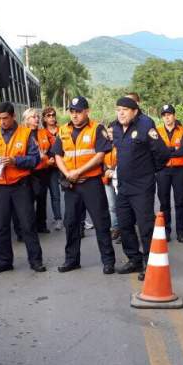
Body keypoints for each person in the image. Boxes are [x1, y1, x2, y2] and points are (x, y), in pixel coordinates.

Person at [51, 96, 116, 274]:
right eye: (72, 112)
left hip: (91, 183)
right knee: (71, 223)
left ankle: (108, 261)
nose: (75, 115)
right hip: (71, 185)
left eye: (78, 112)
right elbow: (57, 154)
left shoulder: (97, 128)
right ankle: (72, 260)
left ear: (87, 111)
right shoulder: (63, 130)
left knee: (101, 222)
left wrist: (78, 172)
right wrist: (67, 174)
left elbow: (101, 154)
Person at [0, 102, 45, 274]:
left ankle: (36, 261)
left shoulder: (25, 133)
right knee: (1, 225)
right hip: (0, 186)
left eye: (5, 118)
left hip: (20, 185)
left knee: (28, 224)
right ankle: (4, 261)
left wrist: (16, 161)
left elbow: (35, 159)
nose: (2, 122)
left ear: (13, 116)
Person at [112, 96, 170, 279]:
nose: (121, 113)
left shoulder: (145, 125)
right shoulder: (114, 127)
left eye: (125, 110)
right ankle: (134, 259)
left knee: (145, 227)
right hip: (123, 185)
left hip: (142, 186)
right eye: (118, 109)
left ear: (135, 111)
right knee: (124, 224)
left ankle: (149, 263)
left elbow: (162, 153)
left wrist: (150, 171)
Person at [155, 104, 183, 242]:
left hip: (179, 171)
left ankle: (180, 232)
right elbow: (157, 151)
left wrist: (166, 151)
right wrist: (172, 150)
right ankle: (166, 231)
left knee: (180, 202)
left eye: (169, 114)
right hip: (163, 170)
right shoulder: (157, 131)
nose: (167, 117)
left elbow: (182, 151)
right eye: (164, 115)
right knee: (164, 202)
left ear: (174, 116)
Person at [23, 108, 55, 233]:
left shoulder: (43, 132)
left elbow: (52, 147)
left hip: (43, 170)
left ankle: (41, 224)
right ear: (27, 120)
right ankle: (29, 226)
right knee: (29, 200)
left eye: (37, 116)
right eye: (33, 117)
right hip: (30, 172)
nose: (37, 119)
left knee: (42, 198)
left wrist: (50, 157)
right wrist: (37, 155)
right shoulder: (23, 134)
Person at [42, 106, 64, 230]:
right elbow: (41, 150)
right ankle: (58, 219)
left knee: (74, 192)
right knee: (55, 194)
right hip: (51, 167)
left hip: (65, 165)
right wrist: (47, 160)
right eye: (48, 115)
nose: (51, 117)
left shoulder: (63, 130)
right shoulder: (42, 133)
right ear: (44, 118)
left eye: (53, 115)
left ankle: (79, 218)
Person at [102, 131, 121, 241]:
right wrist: (106, 170)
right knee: (112, 206)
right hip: (107, 179)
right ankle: (115, 228)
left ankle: (124, 230)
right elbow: (99, 159)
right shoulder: (104, 145)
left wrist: (112, 170)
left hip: (118, 178)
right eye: (108, 132)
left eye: (112, 131)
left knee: (122, 206)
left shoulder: (121, 144)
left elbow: (122, 159)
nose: (110, 134)